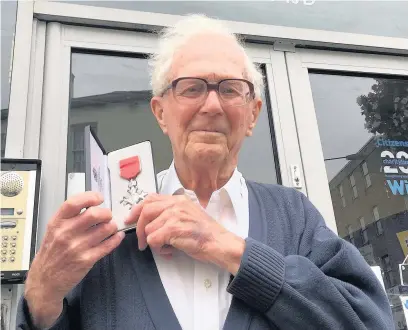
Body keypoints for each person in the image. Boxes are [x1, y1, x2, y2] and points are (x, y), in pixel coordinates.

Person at [18, 14, 393, 330]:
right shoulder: (106, 230)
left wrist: (226, 248)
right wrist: (40, 296)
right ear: (161, 112)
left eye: (230, 89)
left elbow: (369, 321)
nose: (212, 105)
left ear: (252, 115)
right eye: (192, 87)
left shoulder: (293, 215)